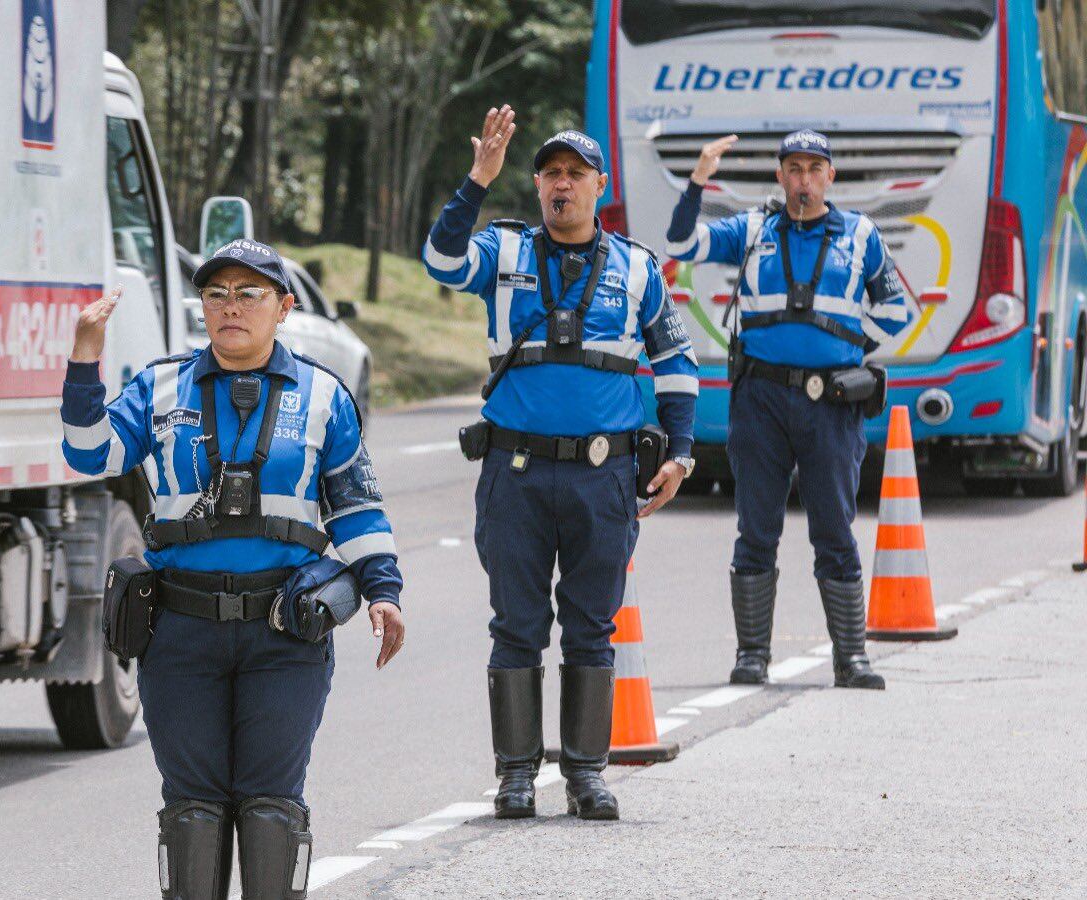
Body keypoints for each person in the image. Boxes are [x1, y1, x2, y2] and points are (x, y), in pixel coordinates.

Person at [61, 239, 405, 900]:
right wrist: (85, 357)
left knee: (271, 804)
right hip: (181, 634)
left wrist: (384, 590)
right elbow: (87, 452)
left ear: (284, 307)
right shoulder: (159, 389)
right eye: (216, 293)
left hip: (284, 635)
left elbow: (357, 508)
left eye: (249, 294)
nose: (231, 307)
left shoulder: (325, 396)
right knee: (192, 808)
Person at [421, 106, 699, 821]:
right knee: (515, 624)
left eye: (576, 173)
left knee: (590, 626)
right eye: (550, 173)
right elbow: (441, 262)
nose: (561, 185)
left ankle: (584, 775)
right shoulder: (504, 253)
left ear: (599, 185)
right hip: (513, 475)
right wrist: (477, 181)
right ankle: (516, 777)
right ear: (538, 185)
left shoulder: (637, 268)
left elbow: (676, 364)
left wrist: (683, 453)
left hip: (603, 478)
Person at [664, 130, 910, 690]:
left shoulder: (861, 234)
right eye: (793, 169)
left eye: (813, 169)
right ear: (780, 176)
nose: (803, 180)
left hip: (832, 405)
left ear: (831, 176)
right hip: (760, 400)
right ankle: (752, 655)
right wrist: (699, 177)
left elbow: (896, 307)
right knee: (756, 529)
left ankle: (852, 659)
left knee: (835, 531)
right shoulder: (753, 230)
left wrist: (852, 351)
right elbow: (680, 243)